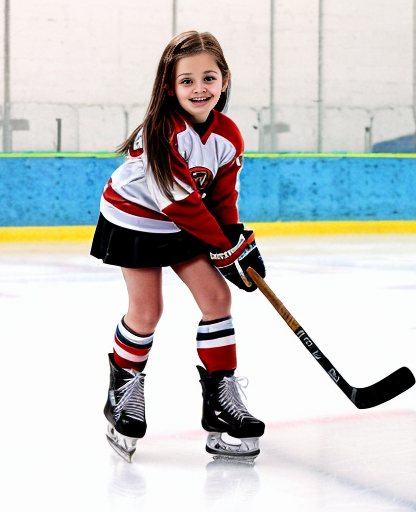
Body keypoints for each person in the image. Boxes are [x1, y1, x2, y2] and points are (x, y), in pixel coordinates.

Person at [91, 30, 266, 463]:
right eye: (186, 81)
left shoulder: (228, 136)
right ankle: (123, 389)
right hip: (134, 220)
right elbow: (180, 202)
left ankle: (221, 401)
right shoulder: (163, 131)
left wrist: (237, 239)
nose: (199, 88)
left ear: (224, 80)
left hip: (182, 222)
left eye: (209, 77)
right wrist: (223, 246)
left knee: (217, 297)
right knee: (147, 311)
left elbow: (222, 198)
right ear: (169, 87)